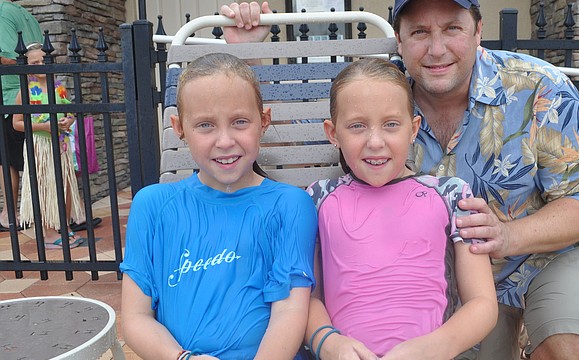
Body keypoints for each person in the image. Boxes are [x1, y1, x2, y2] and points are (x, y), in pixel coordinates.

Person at [222, 1, 579, 359]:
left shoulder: (540, 88)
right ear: (399, 39)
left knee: (574, 344)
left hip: (541, 256)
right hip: (440, 283)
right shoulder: (381, 91)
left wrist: (507, 236)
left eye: (452, 28)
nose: (436, 49)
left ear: (477, 30)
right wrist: (252, 55)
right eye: (419, 32)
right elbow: (298, 134)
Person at [119, 53, 317, 359]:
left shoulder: (289, 205)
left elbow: (290, 310)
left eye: (239, 122)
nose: (224, 141)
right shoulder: (153, 206)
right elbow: (135, 318)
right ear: (179, 127)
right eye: (205, 125)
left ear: (263, 121)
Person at [304, 58, 497, 359]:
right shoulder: (317, 200)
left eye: (391, 124)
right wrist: (329, 343)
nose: (376, 142)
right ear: (333, 133)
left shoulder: (451, 195)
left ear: (413, 128)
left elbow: (482, 303)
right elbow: (306, 298)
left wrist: (434, 348)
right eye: (357, 126)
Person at [12, 43, 85, 248]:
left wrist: (69, 120)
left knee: (66, 186)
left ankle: (65, 226)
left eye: (44, 60)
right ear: (27, 66)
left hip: (60, 144)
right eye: (34, 62)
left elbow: (70, 112)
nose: (40, 64)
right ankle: (50, 233)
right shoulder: (25, 90)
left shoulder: (59, 87)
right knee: (46, 187)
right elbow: (17, 123)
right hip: (39, 146)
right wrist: (44, 126)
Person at [0, 0, 42, 232]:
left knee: (6, 159)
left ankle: (10, 213)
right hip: (34, 92)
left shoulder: (2, 12)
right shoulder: (27, 15)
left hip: (12, 93)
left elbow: (10, 57)